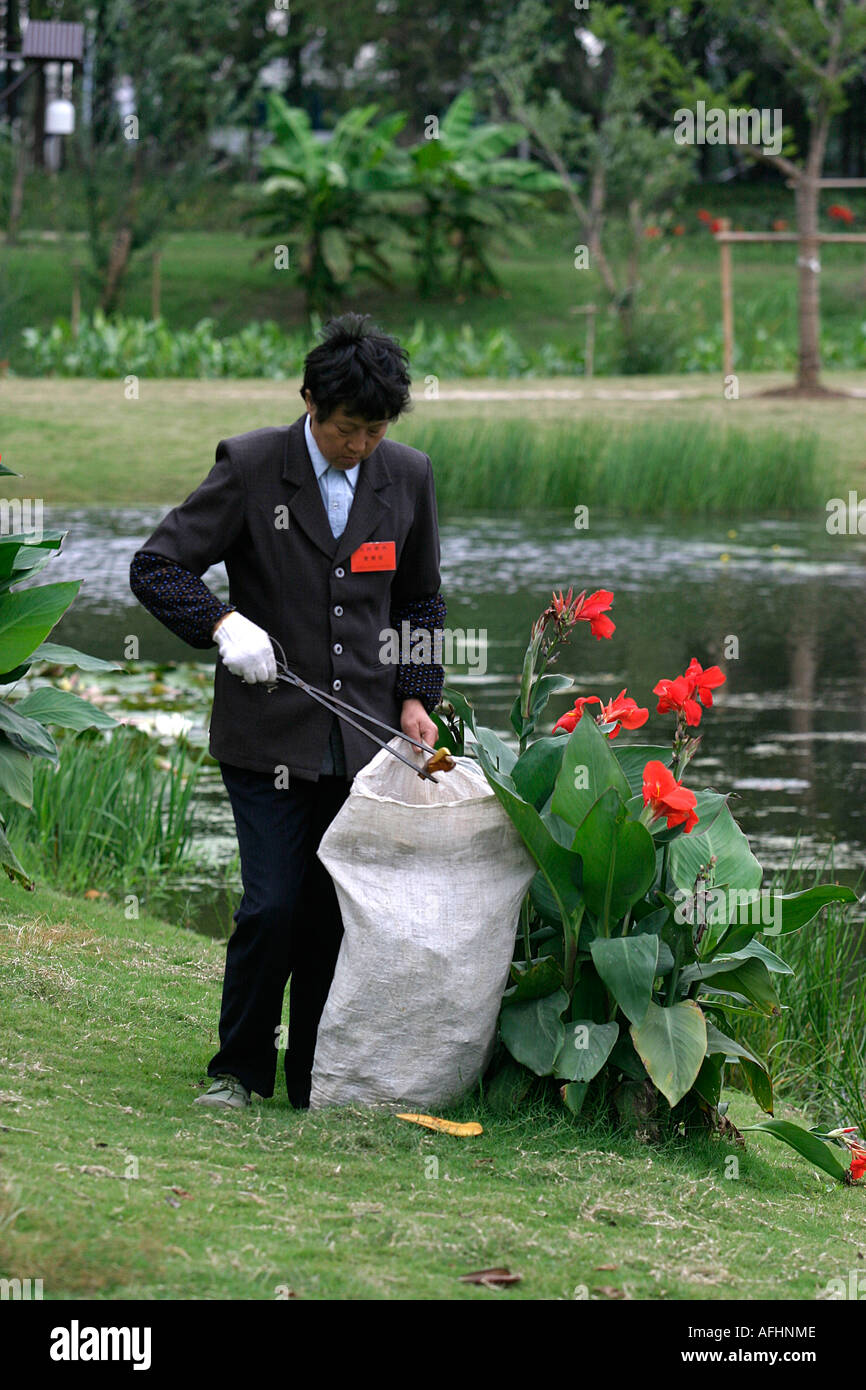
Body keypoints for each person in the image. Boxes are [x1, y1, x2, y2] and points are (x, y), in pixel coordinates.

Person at [129, 312, 446, 1110]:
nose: (360, 446)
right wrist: (220, 623)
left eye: (375, 430)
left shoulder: (407, 476)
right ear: (310, 400)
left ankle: (311, 1079)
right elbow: (156, 568)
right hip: (265, 732)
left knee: (330, 913)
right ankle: (237, 1072)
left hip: (363, 741)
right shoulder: (251, 465)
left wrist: (416, 696)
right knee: (272, 904)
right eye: (347, 429)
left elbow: (419, 602)